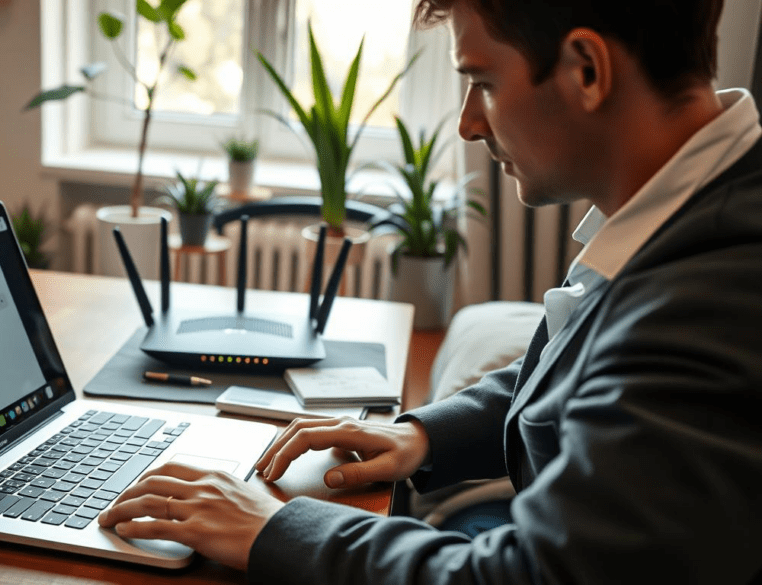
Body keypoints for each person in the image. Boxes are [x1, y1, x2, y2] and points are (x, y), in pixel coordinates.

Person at [98, 0, 762, 582]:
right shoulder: (686, 210)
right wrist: (422, 435)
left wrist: (275, 529)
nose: (470, 124)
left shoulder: (714, 297)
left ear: (586, 70)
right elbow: (591, 378)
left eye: (483, 82)